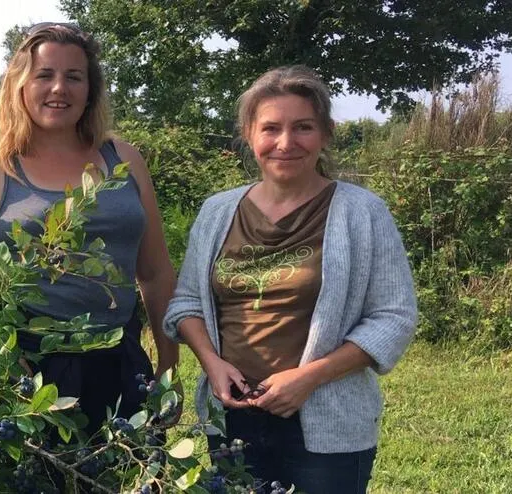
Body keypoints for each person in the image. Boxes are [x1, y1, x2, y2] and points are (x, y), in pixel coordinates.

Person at [163, 65, 417, 494]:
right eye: (271, 128)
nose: (286, 142)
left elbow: (393, 317)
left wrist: (308, 379)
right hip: (233, 418)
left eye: (303, 127)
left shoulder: (362, 212)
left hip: (327, 425)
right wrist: (212, 364)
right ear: (249, 134)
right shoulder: (217, 211)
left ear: (326, 134)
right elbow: (186, 303)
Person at [0, 22, 178, 439]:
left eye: (74, 76)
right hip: (24, 376)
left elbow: (155, 273)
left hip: (121, 363)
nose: (59, 88)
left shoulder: (125, 160)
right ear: (20, 85)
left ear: (90, 89)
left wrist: (169, 366)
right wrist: (6, 364)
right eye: (44, 75)